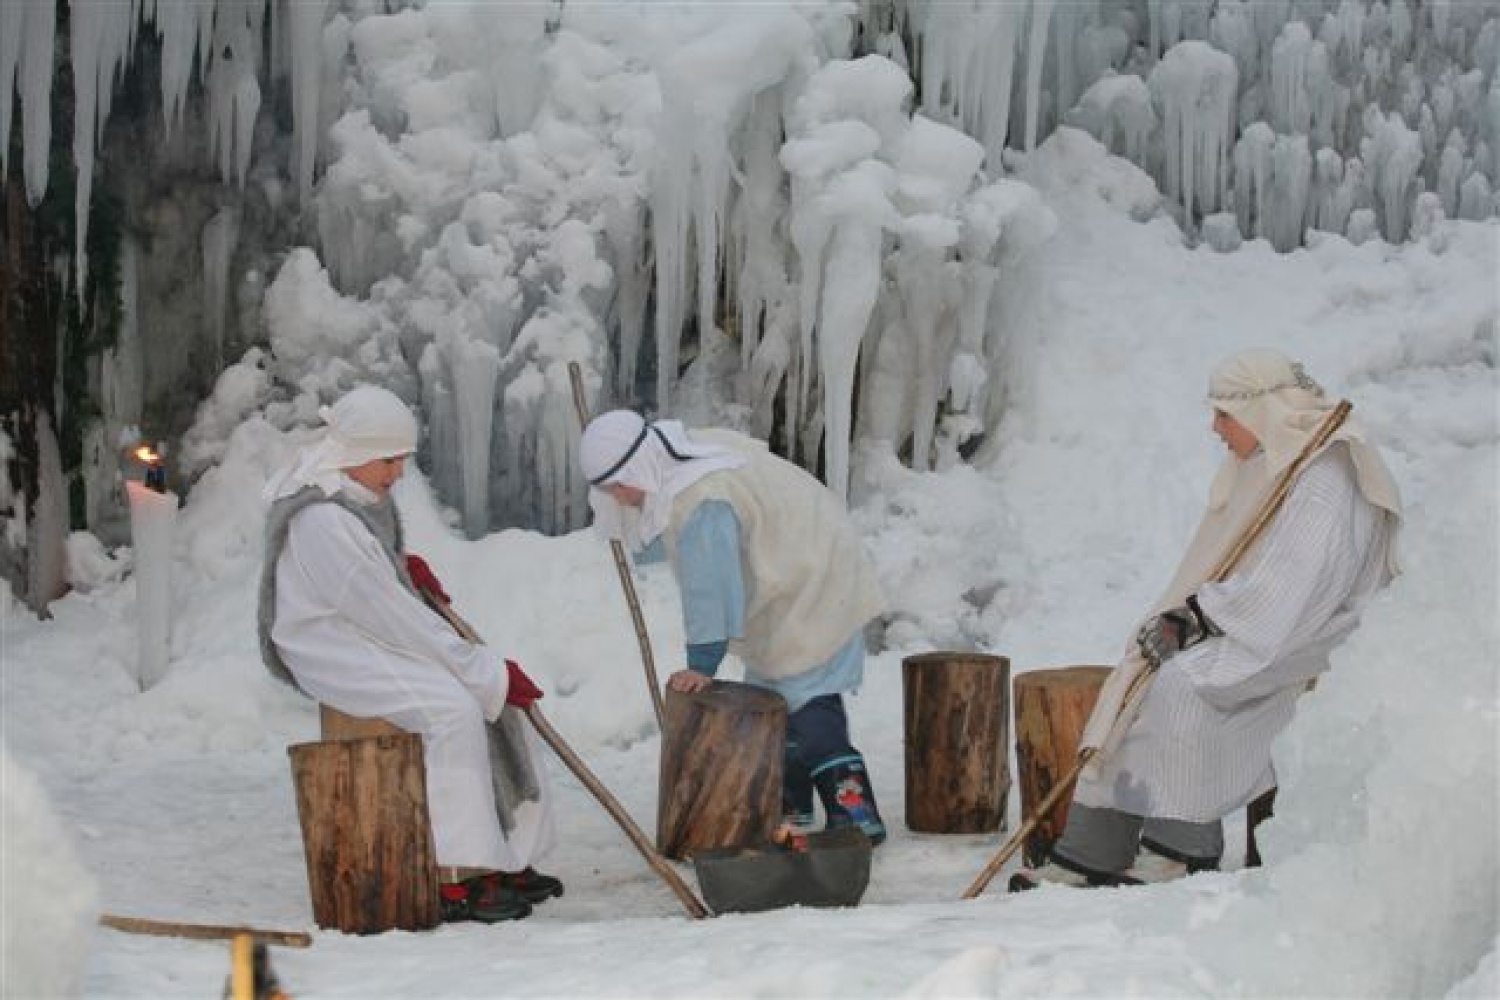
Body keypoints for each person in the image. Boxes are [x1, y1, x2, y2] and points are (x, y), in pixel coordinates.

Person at [1014, 348, 1403, 889]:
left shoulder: (1326, 473)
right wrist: (1189, 616)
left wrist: (1198, 619)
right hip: (1255, 623)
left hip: (1313, 634)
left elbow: (1294, 586)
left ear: (1262, 410)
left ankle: (1183, 846)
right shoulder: (1271, 459)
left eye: (1224, 414)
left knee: (1181, 686)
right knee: (1138, 676)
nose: (1215, 427)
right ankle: (1092, 850)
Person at [258, 384, 559, 923]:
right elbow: (392, 618)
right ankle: (454, 874)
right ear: (355, 455)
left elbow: (381, 590)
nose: (397, 475)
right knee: (453, 710)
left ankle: (510, 856)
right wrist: (479, 668)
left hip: (367, 625)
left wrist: (400, 567)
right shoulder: (322, 520)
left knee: (491, 700)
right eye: (389, 461)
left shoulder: (354, 493)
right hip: (330, 643)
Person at [579, 410, 889, 844]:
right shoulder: (682, 457)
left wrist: (702, 663)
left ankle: (857, 819)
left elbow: (712, 587)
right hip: (792, 576)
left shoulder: (701, 500)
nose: (619, 497)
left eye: (618, 484)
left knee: (812, 706)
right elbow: (668, 535)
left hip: (813, 586)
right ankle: (789, 806)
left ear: (638, 464)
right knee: (776, 705)